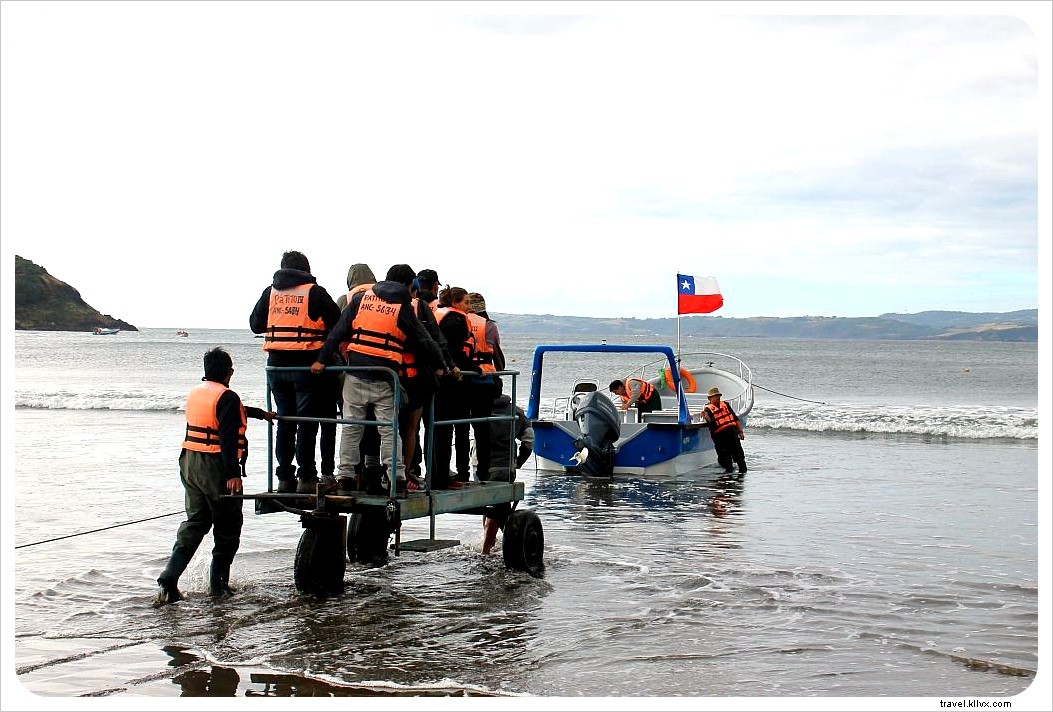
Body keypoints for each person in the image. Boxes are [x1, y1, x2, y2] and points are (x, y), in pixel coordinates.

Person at [154, 347, 275, 606]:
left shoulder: (198, 393)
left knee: (196, 521)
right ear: (228, 372)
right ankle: (218, 586)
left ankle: (169, 576)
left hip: (189, 461)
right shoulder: (227, 397)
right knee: (228, 526)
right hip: (215, 466)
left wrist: (259, 414)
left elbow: (224, 414)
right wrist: (233, 474)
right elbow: (228, 436)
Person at [311, 264, 446, 494]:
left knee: (352, 427)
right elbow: (424, 340)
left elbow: (337, 331)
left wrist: (321, 360)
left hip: (355, 374)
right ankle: (397, 477)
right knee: (389, 429)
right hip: (386, 377)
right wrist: (443, 365)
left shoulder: (360, 300)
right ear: (407, 285)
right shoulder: (402, 307)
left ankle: (345, 475)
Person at [249, 251, 340, 494]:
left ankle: (284, 477)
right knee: (307, 423)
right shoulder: (314, 291)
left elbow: (255, 325)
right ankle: (307, 477)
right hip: (306, 365)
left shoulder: (270, 292)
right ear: (306, 269)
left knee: (285, 421)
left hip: (276, 367)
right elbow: (337, 320)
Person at [433, 287, 498, 488]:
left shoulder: (440, 315)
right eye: (466, 302)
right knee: (481, 428)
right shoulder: (485, 325)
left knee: (458, 428)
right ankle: (482, 472)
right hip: (478, 380)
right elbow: (496, 355)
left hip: (457, 382)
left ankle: (461, 471)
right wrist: (475, 369)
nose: (469, 307)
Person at [479, 382, 534, 554]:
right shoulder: (515, 411)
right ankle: (489, 549)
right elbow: (529, 439)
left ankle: (488, 546)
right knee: (498, 509)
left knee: (486, 505)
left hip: (479, 465)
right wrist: (519, 461)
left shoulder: (478, 408)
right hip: (503, 466)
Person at [701, 386, 747, 474]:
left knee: (739, 456)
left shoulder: (725, 404)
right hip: (720, 437)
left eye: (719, 396)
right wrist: (706, 417)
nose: (718, 397)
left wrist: (740, 431)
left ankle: (742, 476)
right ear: (710, 398)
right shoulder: (708, 409)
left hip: (733, 434)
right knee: (725, 459)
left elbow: (735, 419)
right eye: (716, 396)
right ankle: (728, 479)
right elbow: (711, 423)